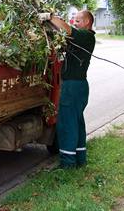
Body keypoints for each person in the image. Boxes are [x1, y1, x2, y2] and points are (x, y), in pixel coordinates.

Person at [39, 10, 96, 169]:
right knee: (77, 122)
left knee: (67, 123)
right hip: (79, 86)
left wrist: (50, 17)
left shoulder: (86, 36)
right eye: (73, 20)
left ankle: (68, 164)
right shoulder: (82, 39)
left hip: (73, 86)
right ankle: (80, 158)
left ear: (86, 22)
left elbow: (67, 30)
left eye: (77, 20)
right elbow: (64, 34)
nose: (74, 23)